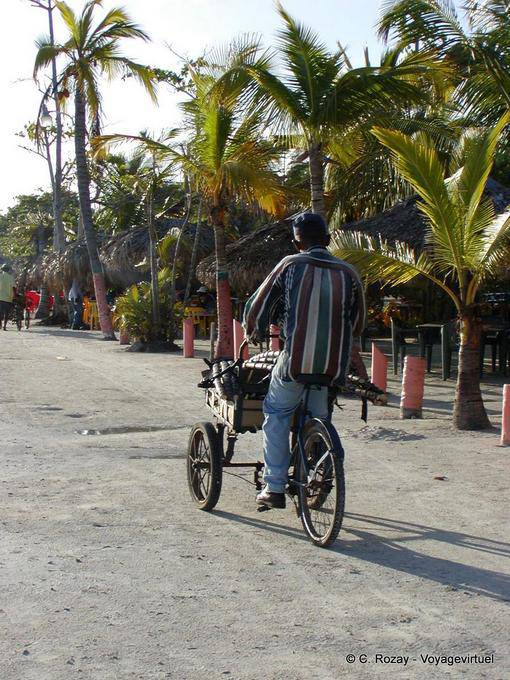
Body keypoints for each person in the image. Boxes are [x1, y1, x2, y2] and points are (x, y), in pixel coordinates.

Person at [243, 212, 367, 509]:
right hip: (331, 368)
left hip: (294, 364)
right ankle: (319, 459)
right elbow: (358, 322)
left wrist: (254, 331)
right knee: (318, 416)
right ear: (327, 240)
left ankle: (273, 486)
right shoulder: (349, 273)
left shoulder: (290, 265)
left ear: (297, 242)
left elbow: (257, 307)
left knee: (276, 414)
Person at [0, 264, 15, 331]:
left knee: (0, 312)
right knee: (6, 313)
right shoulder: (10, 277)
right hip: (8, 298)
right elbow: (13, 287)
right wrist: (15, 295)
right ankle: (4, 326)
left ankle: (0, 324)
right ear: (8, 270)